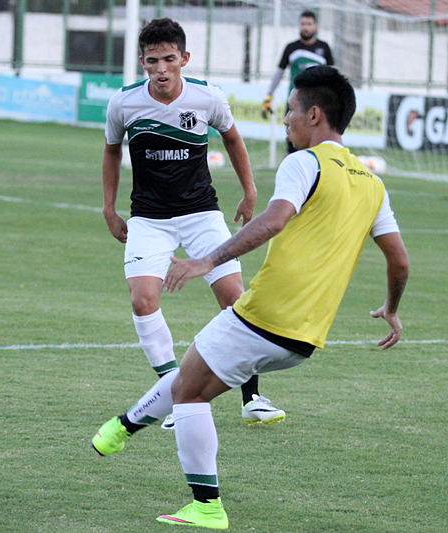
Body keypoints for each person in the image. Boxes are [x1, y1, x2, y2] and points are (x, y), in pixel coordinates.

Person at [92, 65, 409, 529]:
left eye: (289, 112)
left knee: (188, 392)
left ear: (314, 115)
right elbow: (399, 260)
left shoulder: (305, 162)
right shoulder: (372, 182)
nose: (285, 121)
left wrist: (207, 260)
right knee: (191, 378)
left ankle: (204, 505)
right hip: (307, 337)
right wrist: (393, 309)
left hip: (265, 316)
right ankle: (120, 429)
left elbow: (273, 220)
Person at [102, 17, 285, 429]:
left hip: (202, 214)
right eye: (153, 61)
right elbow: (112, 151)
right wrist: (109, 209)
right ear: (142, 62)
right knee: (142, 300)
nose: (162, 68)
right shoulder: (124, 103)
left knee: (236, 300)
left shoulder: (207, 97)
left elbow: (233, 139)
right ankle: (170, 391)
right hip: (148, 219)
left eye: (170, 59)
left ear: (184, 58)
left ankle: (252, 397)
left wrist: (250, 190)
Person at [262, 10, 334, 154]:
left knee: (316, 147)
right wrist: (269, 95)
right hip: (296, 104)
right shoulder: (291, 48)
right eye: (303, 24)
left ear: (315, 27)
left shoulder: (324, 48)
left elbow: (333, 76)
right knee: (293, 145)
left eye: (309, 24)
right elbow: (278, 73)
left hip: (317, 105)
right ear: (299, 26)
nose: (306, 27)